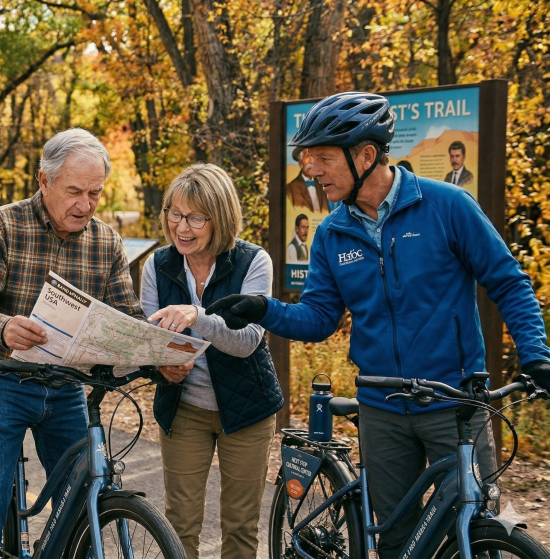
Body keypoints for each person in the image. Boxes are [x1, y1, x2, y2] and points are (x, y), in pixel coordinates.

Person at [205, 92, 550, 559]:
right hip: (382, 408)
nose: (311, 171)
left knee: (476, 529)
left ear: (366, 155)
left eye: (323, 158)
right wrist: (263, 309)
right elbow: (319, 319)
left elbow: (509, 283)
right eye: (308, 159)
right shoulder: (331, 233)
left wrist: (535, 355)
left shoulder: (447, 206)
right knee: (396, 541)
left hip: (456, 403)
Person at [0, 128, 159, 559]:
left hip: (66, 387)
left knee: (80, 497)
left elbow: (128, 317)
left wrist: (158, 353)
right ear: (43, 181)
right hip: (0, 382)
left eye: (95, 193)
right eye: (74, 191)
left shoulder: (106, 241)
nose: (85, 205)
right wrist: (3, 326)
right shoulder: (3, 224)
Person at [140, 164, 282, 559]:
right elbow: (150, 338)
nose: (182, 227)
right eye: (175, 213)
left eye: (195, 217)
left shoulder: (254, 261)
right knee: (179, 525)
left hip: (247, 409)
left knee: (239, 527)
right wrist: (161, 366)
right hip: (184, 409)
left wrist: (196, 316)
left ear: (219, 219)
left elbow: (248, 342)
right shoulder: (157, 265)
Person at [287, 146, 329, 214]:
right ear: (300, 162)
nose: (311, 161)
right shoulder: (290, 188)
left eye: (313, 157)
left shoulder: (322, 185)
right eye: (307, 156)